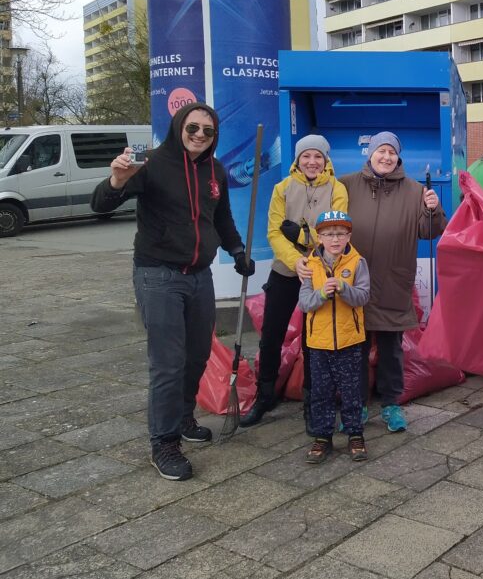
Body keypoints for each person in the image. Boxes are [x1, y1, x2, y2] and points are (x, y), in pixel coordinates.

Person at [90, 104, 254, 481]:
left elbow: (222, 218)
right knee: (168, 362)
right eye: (192, 127)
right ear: (179, 126)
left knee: (197, 355)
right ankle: (163, 443)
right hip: (158, 275)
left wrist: (237, 250)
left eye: (208, 131)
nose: (199, 135)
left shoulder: (215, 171)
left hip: (199, 276)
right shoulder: (149, 161)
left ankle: (182, 418)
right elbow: (100, 204)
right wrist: (115, 180)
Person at [300, 131, 445, 433]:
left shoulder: (415, 190)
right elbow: (326, 222)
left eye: (392, 152)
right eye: (381, 151)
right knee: (356, 351)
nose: (386, 157)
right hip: (352, 282)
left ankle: (391, 405)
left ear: (398, 157)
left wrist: (433, 210)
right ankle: (359, 404)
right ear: (370, 153)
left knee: (392, 350)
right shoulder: (348, 184)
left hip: (393, 280)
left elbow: (429, 231)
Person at [240, 134, 348, 427]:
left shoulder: (337, 189)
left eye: (317, 156)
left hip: (321, 272)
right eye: (306, 156)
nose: (312, 162)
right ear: (297, 160)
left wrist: (302, 239)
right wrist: (295, 260)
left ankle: (314, 401)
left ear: (326, 160)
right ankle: (265, 395)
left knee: (314, 340)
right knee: (271, 336)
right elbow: (274, 231)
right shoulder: (283, 188)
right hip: (286, 271)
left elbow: (333, 232)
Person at [300, 210, 371, 463]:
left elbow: (363, 296)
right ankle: (322, 437)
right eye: (329, 234)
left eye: (340, 234)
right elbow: (305, 303)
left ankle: (355, 434)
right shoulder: (310, 265)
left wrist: (343, 288)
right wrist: (321, 294)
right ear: (319, 237)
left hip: (349, 340)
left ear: (349, 235)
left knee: (352, 391)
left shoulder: (357, 262)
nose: (335, 239)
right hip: (318, 343)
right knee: (321, 392)